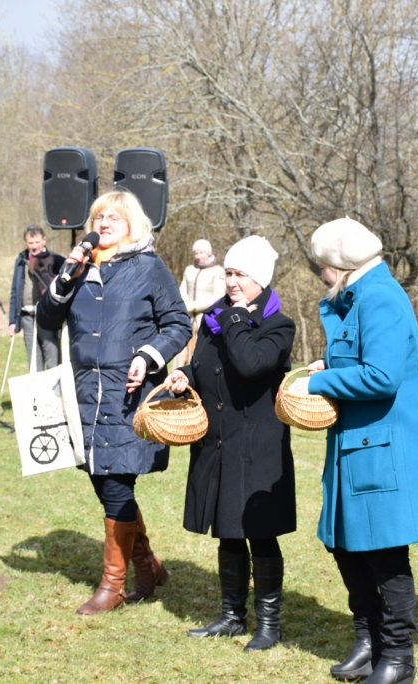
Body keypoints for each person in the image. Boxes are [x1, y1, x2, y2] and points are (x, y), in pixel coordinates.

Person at [302, 218, 418, 684]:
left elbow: (383, 376)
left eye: (322, 266)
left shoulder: (380, 298)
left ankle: (398, 657)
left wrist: (319, 381)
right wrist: (331, 363)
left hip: (382, 445)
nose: (319, 274)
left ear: (339, 265)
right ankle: (368, 642)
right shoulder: (358, 297)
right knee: (345, 546)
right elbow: (364, 358)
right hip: (357, 443)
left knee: (384, 555)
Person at [37, 189, 192, 615]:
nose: (103, 224)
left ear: (134, 225)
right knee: (101, 480)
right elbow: (48, 320)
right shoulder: (78, 268)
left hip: (128, 396)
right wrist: (65, 278)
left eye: (114, 218)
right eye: (98, 216)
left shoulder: (149, 267)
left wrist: (149, 355)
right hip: (85, 394)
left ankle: (113, 585)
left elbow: (178, 324)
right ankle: (148, 567)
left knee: (117, 482)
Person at [166, 235, 296, 651]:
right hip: (219, 441)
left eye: (240, 274)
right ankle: (231, 616)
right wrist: (185, 372)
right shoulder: (214, 320)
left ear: (260, 278)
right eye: (229, 273)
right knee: (228, 532)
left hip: (258, 445)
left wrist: (237, 318)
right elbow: (206, 362)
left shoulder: (278, 325)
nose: (232, 281)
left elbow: (251, 363)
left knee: (260, 534)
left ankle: (269, 624)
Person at [7, 225, 65, 371]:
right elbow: (15, 290)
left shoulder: (55, 259)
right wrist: (13, 321)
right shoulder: (21, 261)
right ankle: (37, 393)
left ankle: (55, 393)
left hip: (47, 317)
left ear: (44, 240)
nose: (34, 246)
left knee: (52, 359)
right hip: (28, 316)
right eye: (30, 243)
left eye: (37, 242)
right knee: (33, 361)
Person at [172, 239, 226, 369]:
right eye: (196, 253)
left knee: (199, 351)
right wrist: (185, 304)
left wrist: (195, 306)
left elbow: (218, 296)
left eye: (201, 252)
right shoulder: (189, 269)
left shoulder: (217, 271)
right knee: (180, 352)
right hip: (187, 316)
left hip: (205, 317)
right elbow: (182, 290)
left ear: (208, 253)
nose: (198, 256)